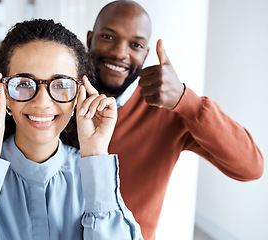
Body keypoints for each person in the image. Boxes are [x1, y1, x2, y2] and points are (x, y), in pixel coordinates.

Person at [0, 19, 143, 240]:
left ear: (78, 97)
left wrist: (95, 153)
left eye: (61, 84)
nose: (42, 102)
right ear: (4, 94)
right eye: (23, 83)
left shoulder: (93, 170)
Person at [85, 1, 264, 239]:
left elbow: (251, 167)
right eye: (108, 36)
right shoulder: (59, 96)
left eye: (136, 44)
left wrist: (186, 100)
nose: (119, 52)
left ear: (146, 54)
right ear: (90, 39)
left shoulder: (167, 111)